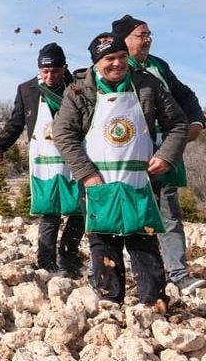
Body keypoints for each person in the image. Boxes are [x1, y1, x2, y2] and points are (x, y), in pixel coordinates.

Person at [52, 34, 188, 308]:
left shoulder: (147, 85)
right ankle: (110, 304)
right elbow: (62, 132)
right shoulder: (79, 90)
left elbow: (178, 124)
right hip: (97, 180)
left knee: (143, 237)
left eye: (122, 58)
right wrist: (86, 173)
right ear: (96, 63)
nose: (117, 64)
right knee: (103, 240)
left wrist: (166, 157)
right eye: (109, 59)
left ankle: (153, 303)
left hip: (140, 179)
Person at [111, 14, 206, 294]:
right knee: (124, 212)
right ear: (124, 40)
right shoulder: (112, 69)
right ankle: (116, 274)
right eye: (142, 35)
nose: (148, 39)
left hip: (161, 148)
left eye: (149, 34)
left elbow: (184, 94)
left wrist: (195, 121)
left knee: (168, 209)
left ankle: (178, 273)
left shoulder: (158, 66)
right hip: (123, 154)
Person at [0, 43, 84, 276]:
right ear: (39, 69)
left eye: (56, 71)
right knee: (50, 211)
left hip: (76, 157)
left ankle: (69, 257)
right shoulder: (27, 90)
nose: (50, 77)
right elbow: (16, 123)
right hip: (45, 159)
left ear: (65, 68)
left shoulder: (78, 87)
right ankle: (46, 262)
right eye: (45, 71)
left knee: (79, 210)